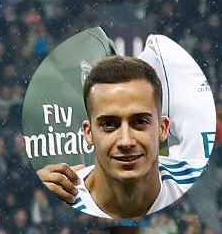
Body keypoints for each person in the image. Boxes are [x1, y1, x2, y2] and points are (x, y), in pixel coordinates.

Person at [36, 56, 201, 220]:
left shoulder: (193, 180)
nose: (125, 141)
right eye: (109, 124)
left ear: (162, 129)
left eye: (140, 122)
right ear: (88, 133)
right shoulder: (60, 195)